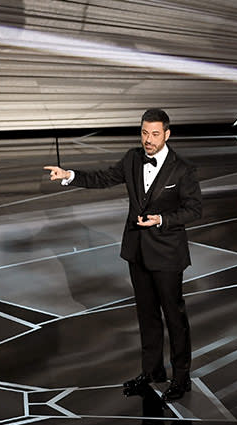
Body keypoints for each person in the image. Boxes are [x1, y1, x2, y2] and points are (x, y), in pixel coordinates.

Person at [44, 108, 202, 401]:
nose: (148, 139)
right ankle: (152, 371)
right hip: (137, 252)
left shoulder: (183, 169)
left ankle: (182, 378)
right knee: (147, 316)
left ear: (167, 134)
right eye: (144, 132)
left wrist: (162, 220)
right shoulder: (132, 158)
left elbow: (194, 209)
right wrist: (69, 175)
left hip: (167, 255)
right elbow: (104, 178)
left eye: (155, 134)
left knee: (174, 317)